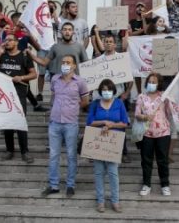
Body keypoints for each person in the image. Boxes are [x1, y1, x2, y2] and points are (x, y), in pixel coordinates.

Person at [0, 33, 38, 163]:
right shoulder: (1, 55)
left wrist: (22, 78)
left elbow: (34, 74)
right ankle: (9, 150)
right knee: (7, 122)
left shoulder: (24, 56)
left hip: (19, 94)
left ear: (16, 42)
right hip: (4, 95)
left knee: (20, 122)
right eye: (5, 40)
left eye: (10, 40)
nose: (7, 42)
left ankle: (24, 152)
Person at [42, 55, 89, 198]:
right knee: (53, 155)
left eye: (68, 62)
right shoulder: (55, 79)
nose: (65, 64)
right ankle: (54, 185)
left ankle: (70, 185)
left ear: (74, 65)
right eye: (63, 62)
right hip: (54, 123)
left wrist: (73, 108)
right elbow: (54, 95)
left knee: (71, 155)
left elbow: (85, 101)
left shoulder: (80, 82)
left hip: (71, 124)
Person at [86, 79, 130, 213]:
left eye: (109, 90)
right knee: (99, 173)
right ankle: (100, 201)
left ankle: (115, 201)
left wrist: (112, 125)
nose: (106, 92)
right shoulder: (95, 104)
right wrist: (103, 122)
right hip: (98, 141)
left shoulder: (119, 103)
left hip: (113, 143)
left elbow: (125, 123)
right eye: (104, 90)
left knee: (113, 172)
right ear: (100, 91)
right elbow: (89, 122)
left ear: (113, 91)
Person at [91, 32, 134, 163]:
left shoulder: (122, 58)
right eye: (106, 41)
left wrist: (126, 94)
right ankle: (96, 151)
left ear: (115, 44)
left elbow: (130, 79)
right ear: (103, 44)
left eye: (111, 41)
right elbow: (92, 80)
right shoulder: (97, 61)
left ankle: (123, 152)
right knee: (99, 124)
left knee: (120, 125)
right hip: (101, 98)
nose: (108, 43)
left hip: (118, 97)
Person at [134, 73, 172, 196]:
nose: (151, 84)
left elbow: (170, 113)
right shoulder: (141, 96)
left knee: (163, 160)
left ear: (159, 83)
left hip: (163, 132)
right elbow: (136, 114)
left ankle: (165, 184)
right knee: (146, 160)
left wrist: (170, 101)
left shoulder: (164, 96)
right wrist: (145, 116)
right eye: (150, 81)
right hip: (146, 134)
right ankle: (146, 184)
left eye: (154, 82)